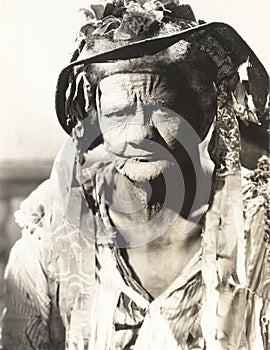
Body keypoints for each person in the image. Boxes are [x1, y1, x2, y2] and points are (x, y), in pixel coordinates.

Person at [2, 1, 270, 349]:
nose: (140, 135)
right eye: (118, 113)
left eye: (164, 108)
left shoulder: (259, 236)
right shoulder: (51, 233)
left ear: (202, 111)